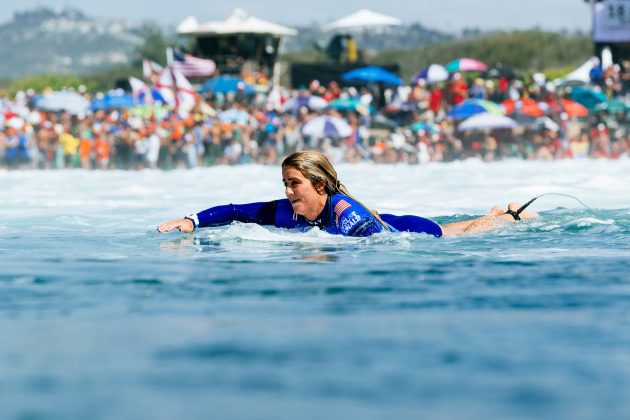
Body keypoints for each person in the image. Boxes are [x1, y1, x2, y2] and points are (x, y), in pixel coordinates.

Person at [157, 151, 538, 237]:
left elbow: (379, 242)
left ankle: (511, 216)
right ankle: (500, 211)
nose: (288, 192)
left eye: (295, 184)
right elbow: (235, 210)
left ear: (319, 186)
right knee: (462, 224)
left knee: (465, 231)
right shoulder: (285, 211)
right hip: (388, 222)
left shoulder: (346, 211)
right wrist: (192, 221)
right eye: (285, 184)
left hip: (410, 229)